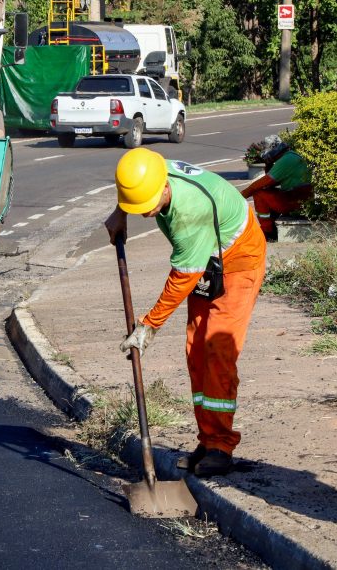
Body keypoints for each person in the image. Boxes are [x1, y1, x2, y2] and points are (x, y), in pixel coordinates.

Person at [105, 149, 266, 477]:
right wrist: (120, 212)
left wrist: (147, 327)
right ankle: (207, 440)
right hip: (209, 259)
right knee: (196, 350)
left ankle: (221, 446)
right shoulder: (149, 169)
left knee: (218, 349)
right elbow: (136, 184)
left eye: (147, 205)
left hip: (238, 261)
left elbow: (181, 281)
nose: (146, 213)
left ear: (165, 188)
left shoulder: (189, 213)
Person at [240, 135, 312, 240]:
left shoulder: (285, 161)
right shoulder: (291, 156)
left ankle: (267, 231)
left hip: (295, 200)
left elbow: (263, 183)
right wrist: (268, 164)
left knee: (258, 193)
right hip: (300, 198)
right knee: (268, 192)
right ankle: (272, 224)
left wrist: (242, 195)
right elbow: (270, 183)